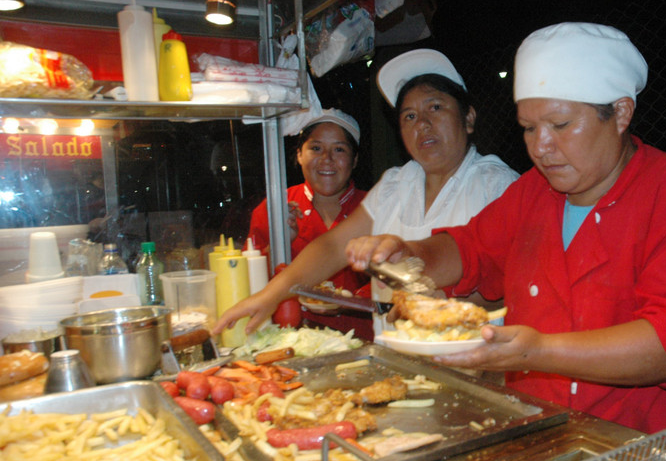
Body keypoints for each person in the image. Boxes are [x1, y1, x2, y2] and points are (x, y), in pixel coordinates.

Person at [345, 22, 666, 434]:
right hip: (546, 435)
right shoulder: (535, 192)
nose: (540, 147)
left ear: (621, 113)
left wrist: (536, 352)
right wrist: (409, 254)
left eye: (560, 125)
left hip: (654, 452)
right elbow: (470, 249)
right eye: (529, 128)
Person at [214, 48, 520, 340]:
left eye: (435, 107)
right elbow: (333, 247)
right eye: (409, 116)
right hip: (398, 359)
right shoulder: (397, 183)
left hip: (475, 366)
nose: (422, 124)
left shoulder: (498, 185)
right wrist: (272, 295)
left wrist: (441, 303)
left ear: (468, 118)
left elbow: (513, 288)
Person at [247, 108, 371, 338]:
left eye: (339, 149)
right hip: (290, 336)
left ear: (354, 160)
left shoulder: (374, 207)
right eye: (316, 148)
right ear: (299, 155)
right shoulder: (274, 209)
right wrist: (277, 246)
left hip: (362, 336)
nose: (327, 159)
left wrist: (356, 297)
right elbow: (248, 285)